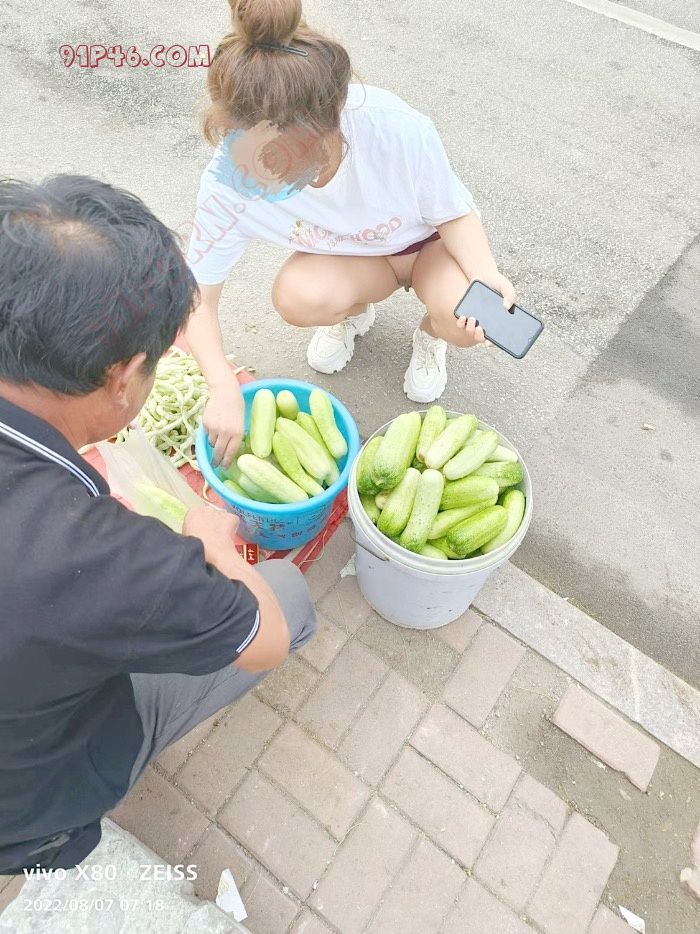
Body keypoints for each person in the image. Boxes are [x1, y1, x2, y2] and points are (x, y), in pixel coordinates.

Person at [0, 175, 316, 874]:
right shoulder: (110, 560)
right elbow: (264, 641)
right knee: (286, 596)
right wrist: (212, 544)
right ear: (126, 375)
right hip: (24, 812)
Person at [185, 0, 517, 468]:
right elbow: (197, 296)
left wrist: (485, 273)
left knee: (466, 319)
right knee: (298, 297)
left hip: (428, 247)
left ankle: (431, 334)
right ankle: (351, 314)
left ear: (333, 119)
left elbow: (454, 214)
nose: (271, 175)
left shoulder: (394, 128)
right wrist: (221, 385)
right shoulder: (230, 180)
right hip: (358, 261)